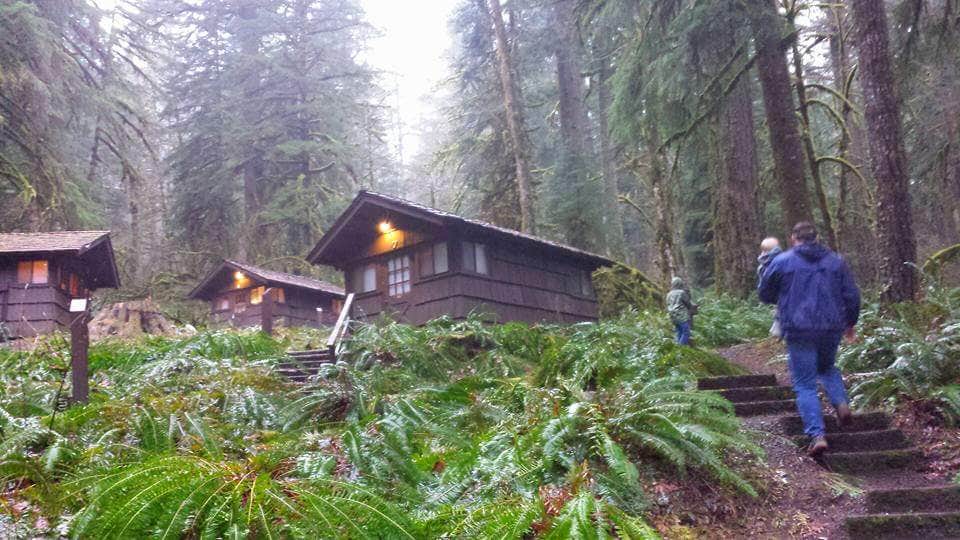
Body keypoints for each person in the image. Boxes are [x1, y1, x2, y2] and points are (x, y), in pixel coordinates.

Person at [758, 222, 861, 457]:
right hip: (831, 327)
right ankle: (841, 403)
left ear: (794, 238)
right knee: (827, 367)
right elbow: (852, 295)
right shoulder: (836, 261)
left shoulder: (782, 261)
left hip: (798, 328)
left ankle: (817, 435)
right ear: (817, 238)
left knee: (804, 383)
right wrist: (850, 323)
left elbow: (764, 293)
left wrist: (783, 295)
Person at [757, 237, 783, 338]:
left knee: (780, 311)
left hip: (774, 293)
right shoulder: (784, 259)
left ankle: (778, 333)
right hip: (783, 292)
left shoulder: (762, 263)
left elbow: (764, 283)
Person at [666, 276, 696, 345]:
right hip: (682, 316)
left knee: (679, 332)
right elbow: (688, 303)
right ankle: (680, 348)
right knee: (686, 332)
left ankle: (678, 349)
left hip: (672, 316)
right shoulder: (681, 293)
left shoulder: (669, 294)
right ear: (680, 284)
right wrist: (692, 307)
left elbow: (668, 304)